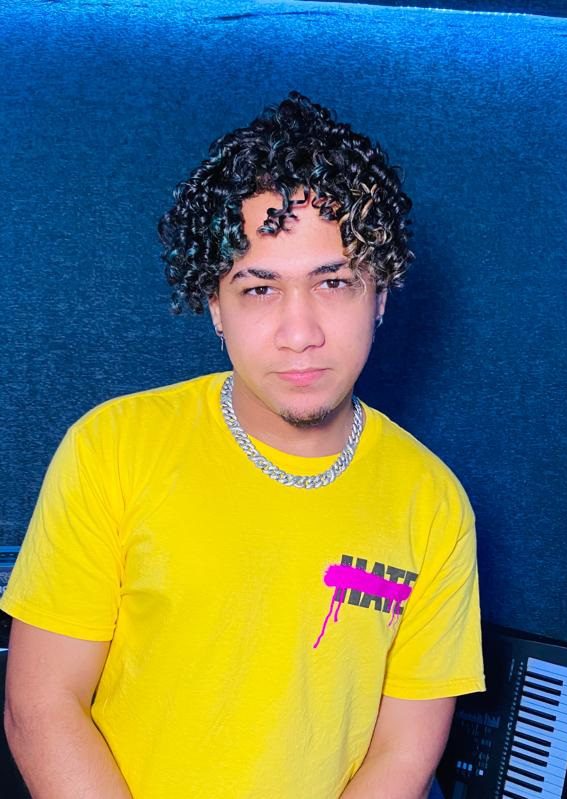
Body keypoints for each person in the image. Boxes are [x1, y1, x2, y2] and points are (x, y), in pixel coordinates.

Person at [1, 92, 484, 799]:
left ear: (380, 295)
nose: (300, 333)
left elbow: (402, 756)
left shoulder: (434, 502)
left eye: (334, 282)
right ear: (215, 306)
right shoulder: (112, 447)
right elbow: (42, 706)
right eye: (259, 289)